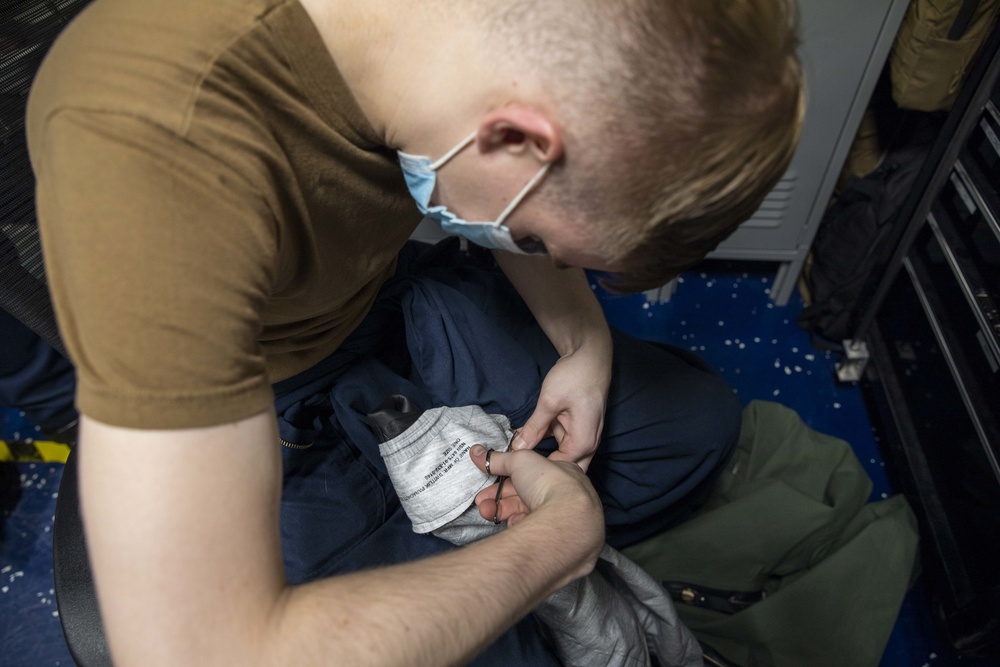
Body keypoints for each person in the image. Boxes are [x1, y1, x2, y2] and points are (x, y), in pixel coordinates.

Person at [26, 0, 804, 664]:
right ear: (511, 137)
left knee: (695, 429)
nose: (535, 254)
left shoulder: (443, 46)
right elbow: (197, 649)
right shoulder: (157, 147)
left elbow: (528, 180)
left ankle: (434, 538)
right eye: (533, 242)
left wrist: (583, 344)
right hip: (256, 419)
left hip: (384, 311)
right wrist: (551, 550)